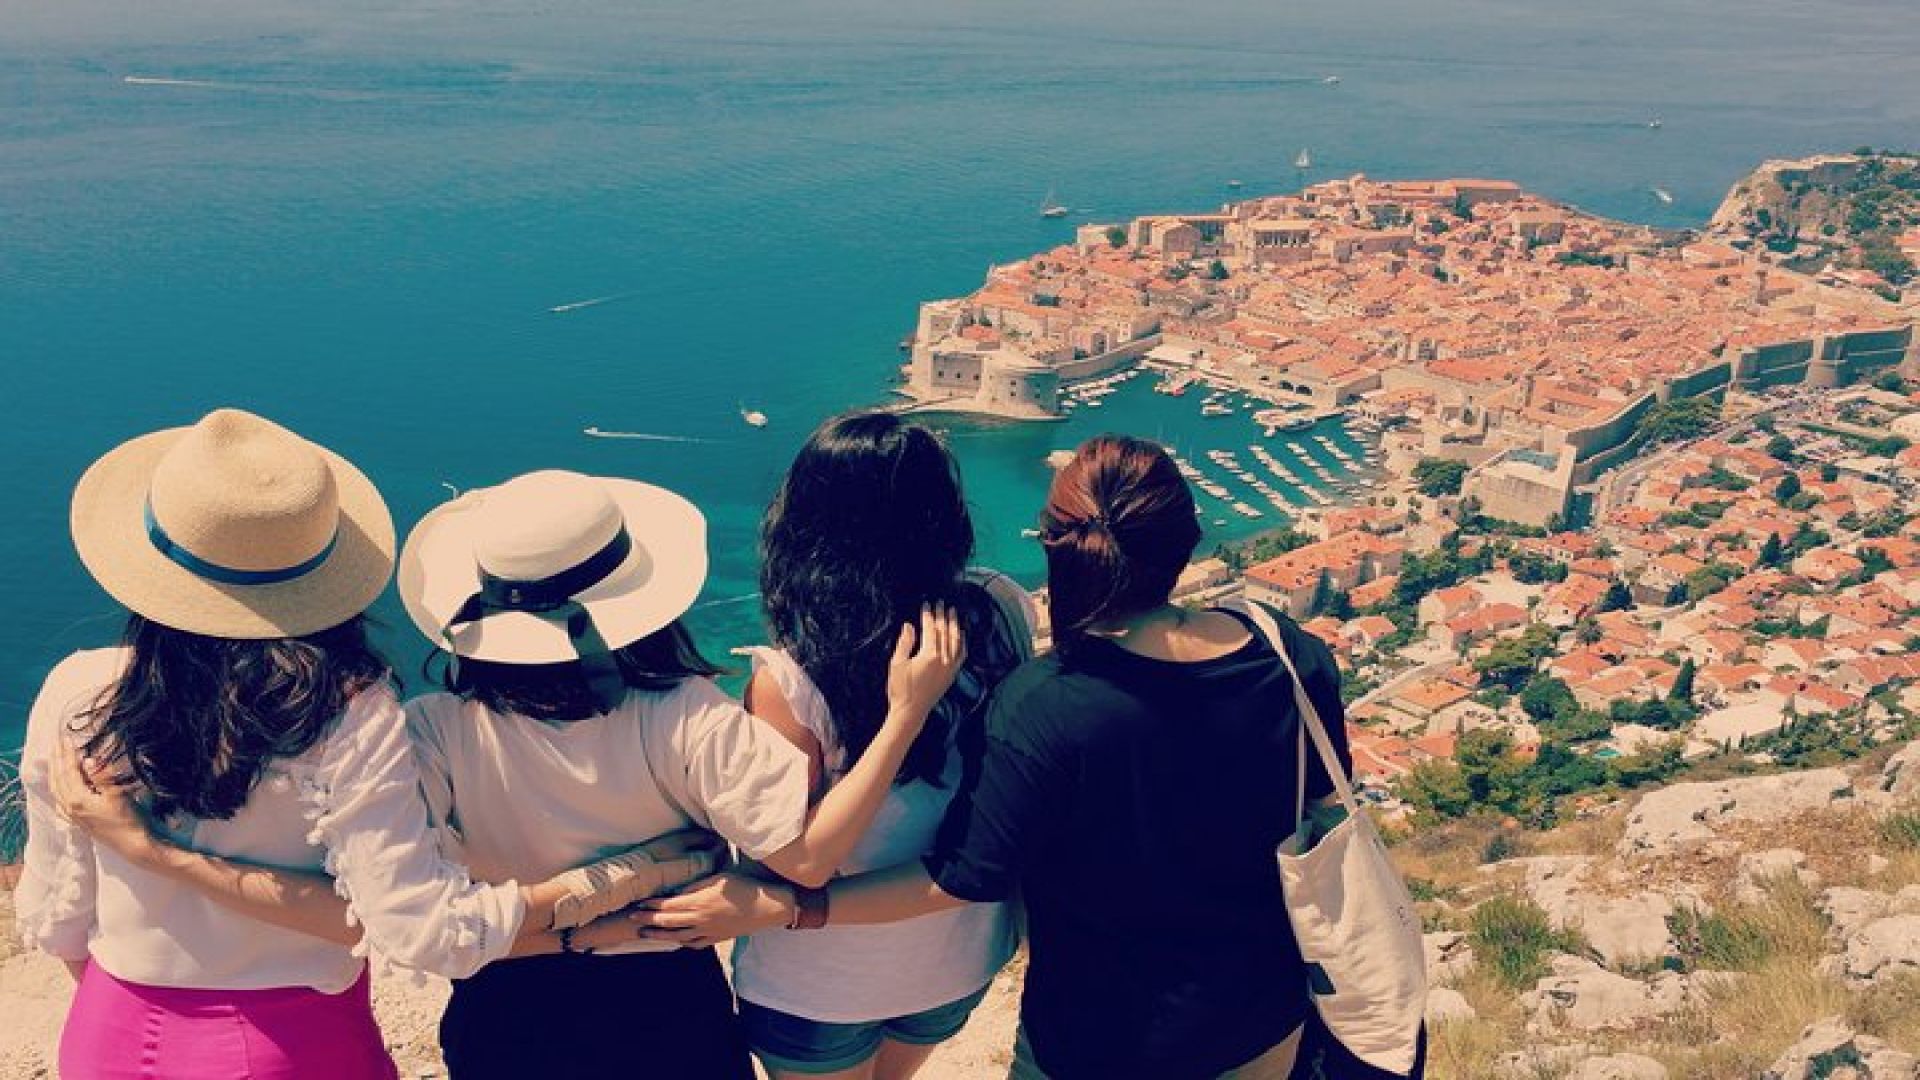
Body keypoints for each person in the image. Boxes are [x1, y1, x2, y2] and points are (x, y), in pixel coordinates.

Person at [49, 463, 967, 1079]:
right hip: (663, 1007)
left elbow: (402, 904)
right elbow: (805, 858)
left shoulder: (431, 729)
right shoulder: (687, 713)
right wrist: (903, 718)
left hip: (505, 1004)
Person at [633, 434, 1355, 1080]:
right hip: (1243, 1003)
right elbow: (1326, 811)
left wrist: (789, 909)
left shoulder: (1044, 701)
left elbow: (959, 870)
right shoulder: (1288, 654)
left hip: (1086, 1030)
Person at [17, 409, 630, 1079]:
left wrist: (146, 900)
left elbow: (56, 916)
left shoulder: (77, 689)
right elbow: (403, 925)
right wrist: (637, 875)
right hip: (292, 1042)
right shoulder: (347, 711)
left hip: (109, 1029)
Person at [729, 411, 1032, 1080]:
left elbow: (802, 863)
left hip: (818, 986)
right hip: (956, 959)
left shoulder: (789, 681)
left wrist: (905, 716)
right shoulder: (999, 609)